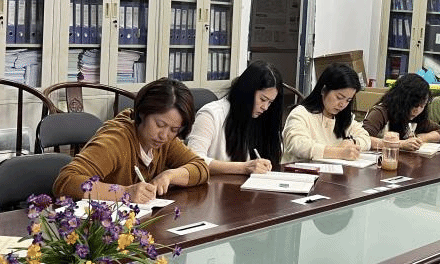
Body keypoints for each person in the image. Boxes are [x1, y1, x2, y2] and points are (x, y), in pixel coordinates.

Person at [54, 77, 209, 201]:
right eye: (159, 124)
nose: (164, 135)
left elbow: (201, 167)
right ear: (142, 113)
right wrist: (124, 192)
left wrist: (170, 176)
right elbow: (66, 181)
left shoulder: (165, 140)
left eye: (174, 130)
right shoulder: (116, 140)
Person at [186, 61, 284, 175]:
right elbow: (194, 160)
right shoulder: (211, 115)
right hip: (214, 184)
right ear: (248, 91)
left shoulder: (262, 119)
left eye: (270, 102)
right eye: (262, 99)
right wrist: (243, 168)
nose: (265, 107)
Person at [282, 63, 371, 163]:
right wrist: (338, 153)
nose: (342, 104)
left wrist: (352, 142)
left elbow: (366, 138)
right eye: (339, 97)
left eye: (348, 100)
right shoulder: (301, 114)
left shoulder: (343, 117)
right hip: (300, 171)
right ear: (324, 90)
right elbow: (298, 145)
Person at [362, 73, 440, 151]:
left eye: (422, 106)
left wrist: (421, 138)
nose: (417, 110)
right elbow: (364, 138)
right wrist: (401, 144)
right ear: (402, 100)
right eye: (414, 105)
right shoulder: (381, 112)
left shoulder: (417, 117)